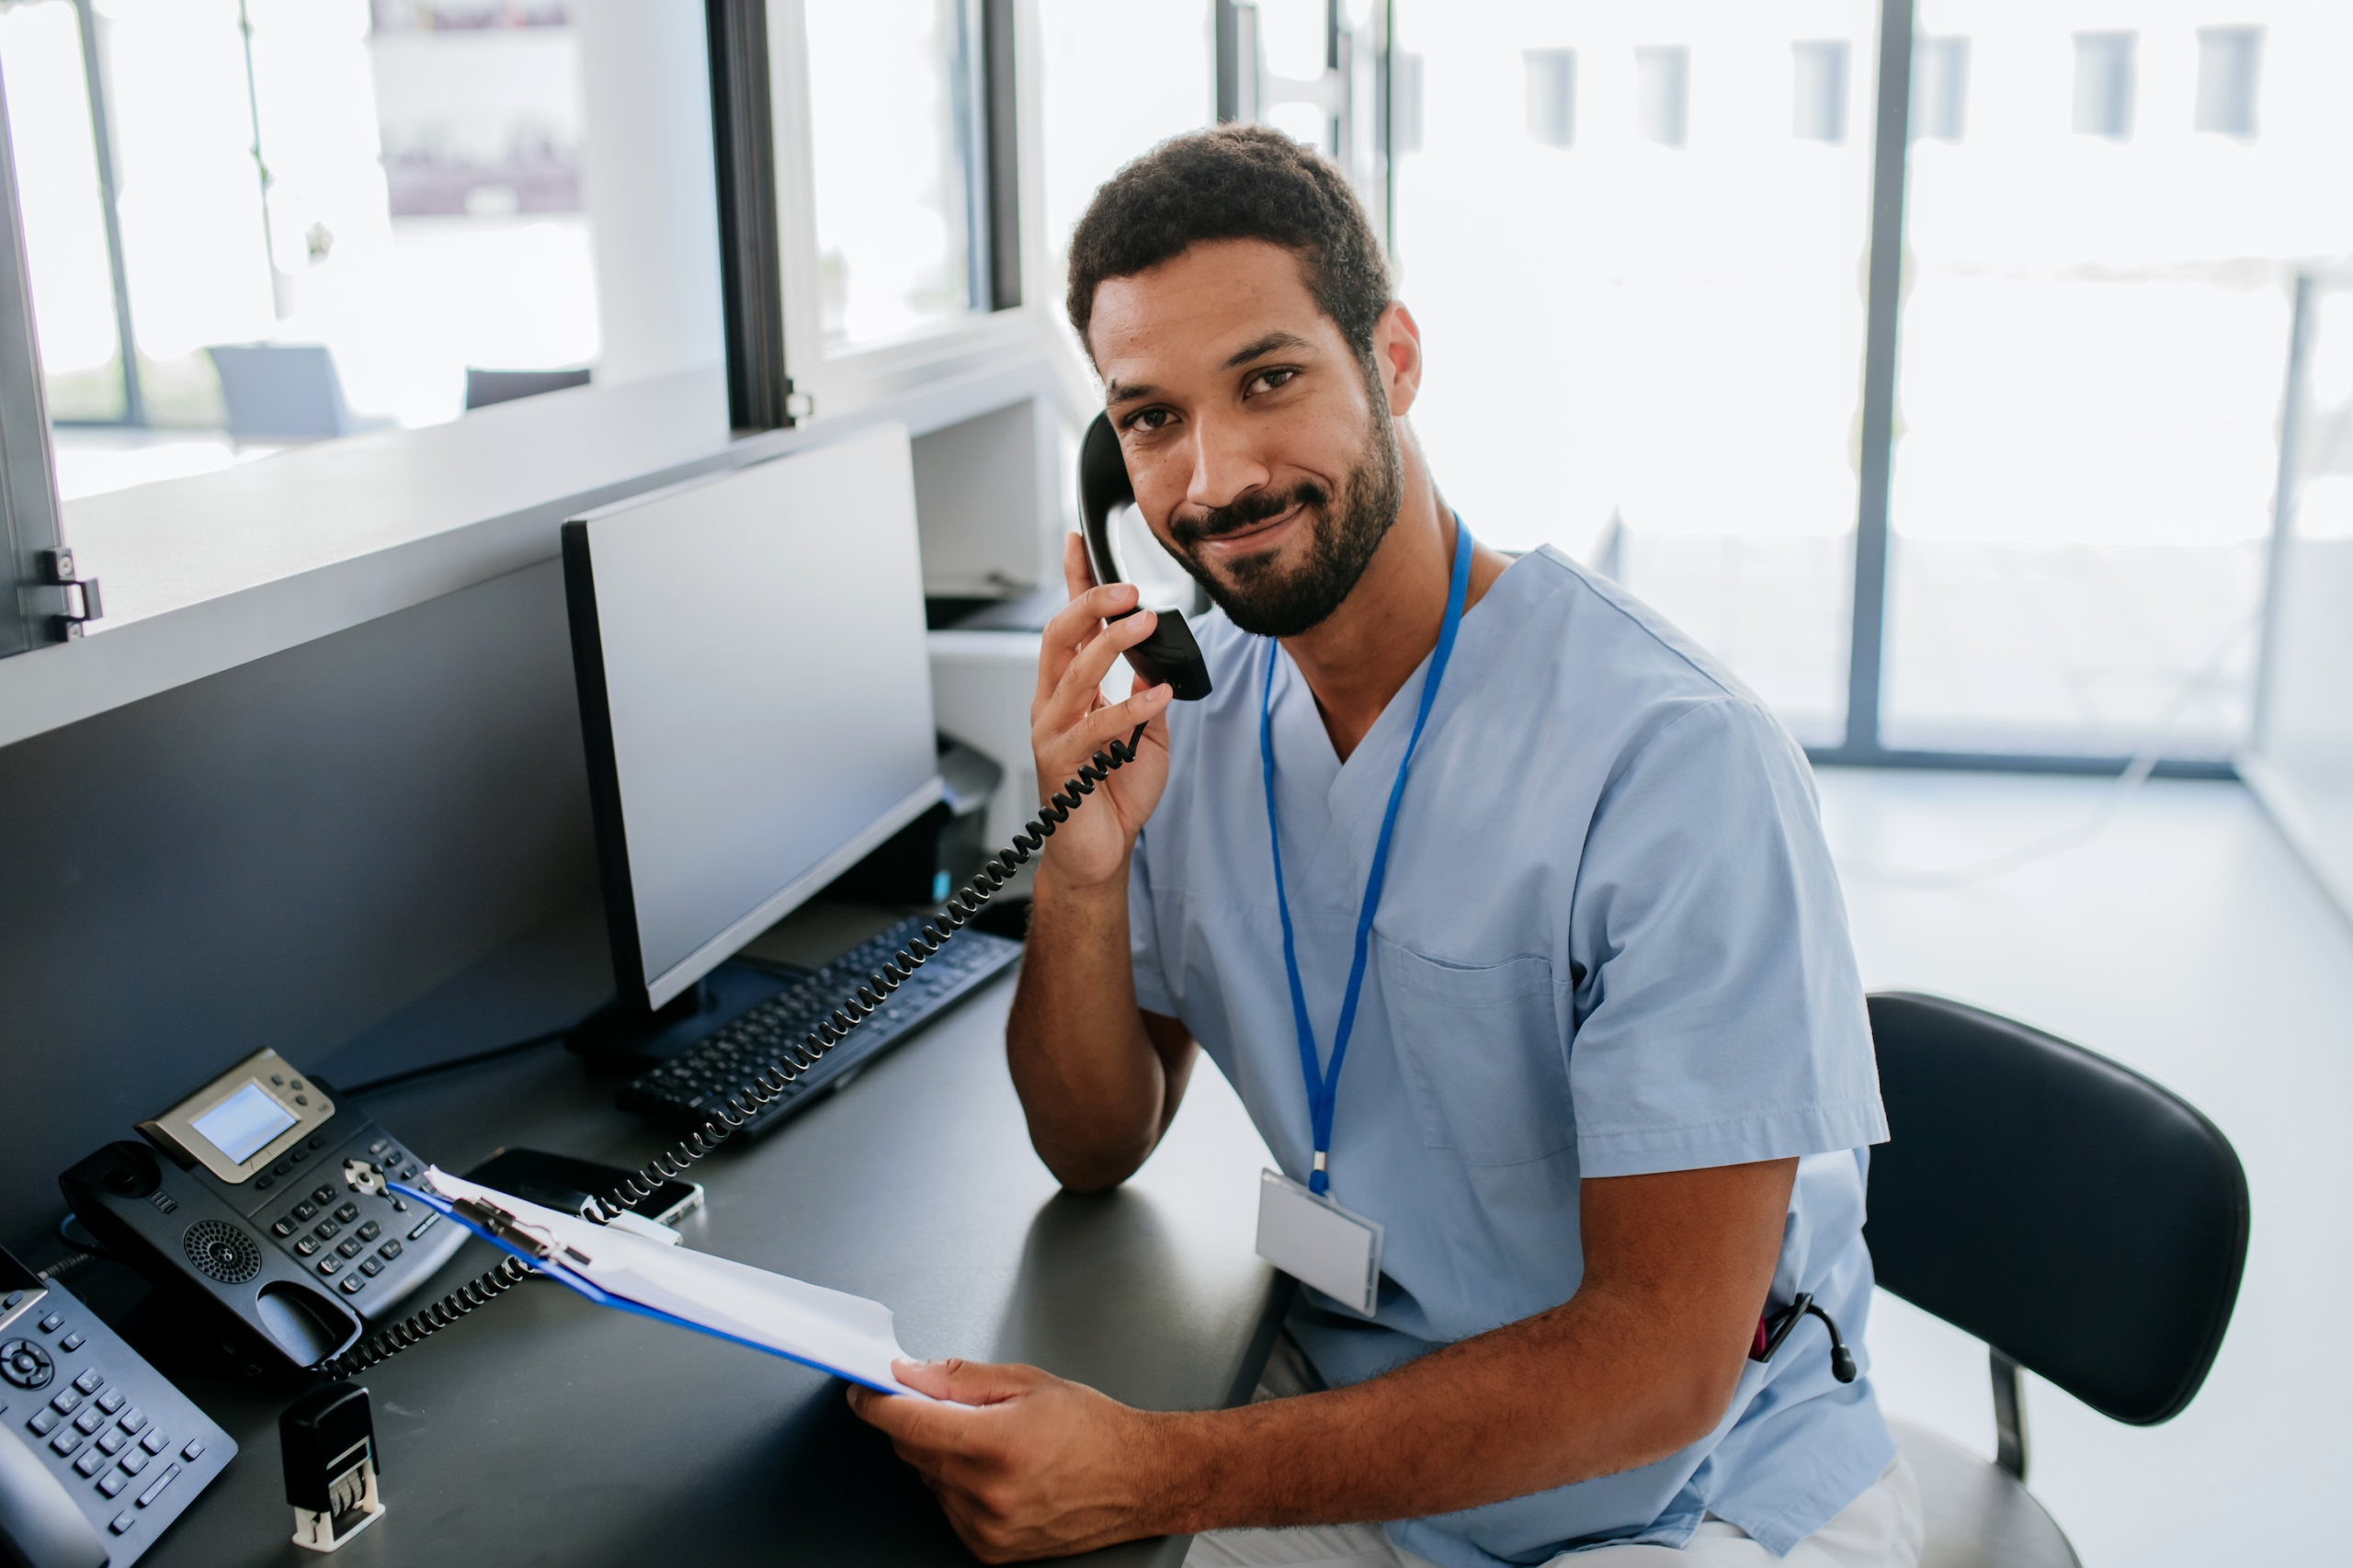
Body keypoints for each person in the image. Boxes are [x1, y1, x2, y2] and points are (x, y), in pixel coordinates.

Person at [848, 125, 1919, 1568]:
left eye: (1270, 379)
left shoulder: (1674, 762)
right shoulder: (1193, 724)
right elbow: (1094, 1139)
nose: (1215, 477)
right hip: (1363, 1426)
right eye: (1152, 417)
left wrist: (1158, 1468)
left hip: (1680, 1487)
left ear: (1394, 361)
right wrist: (1083, 873)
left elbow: (1660, 1364)